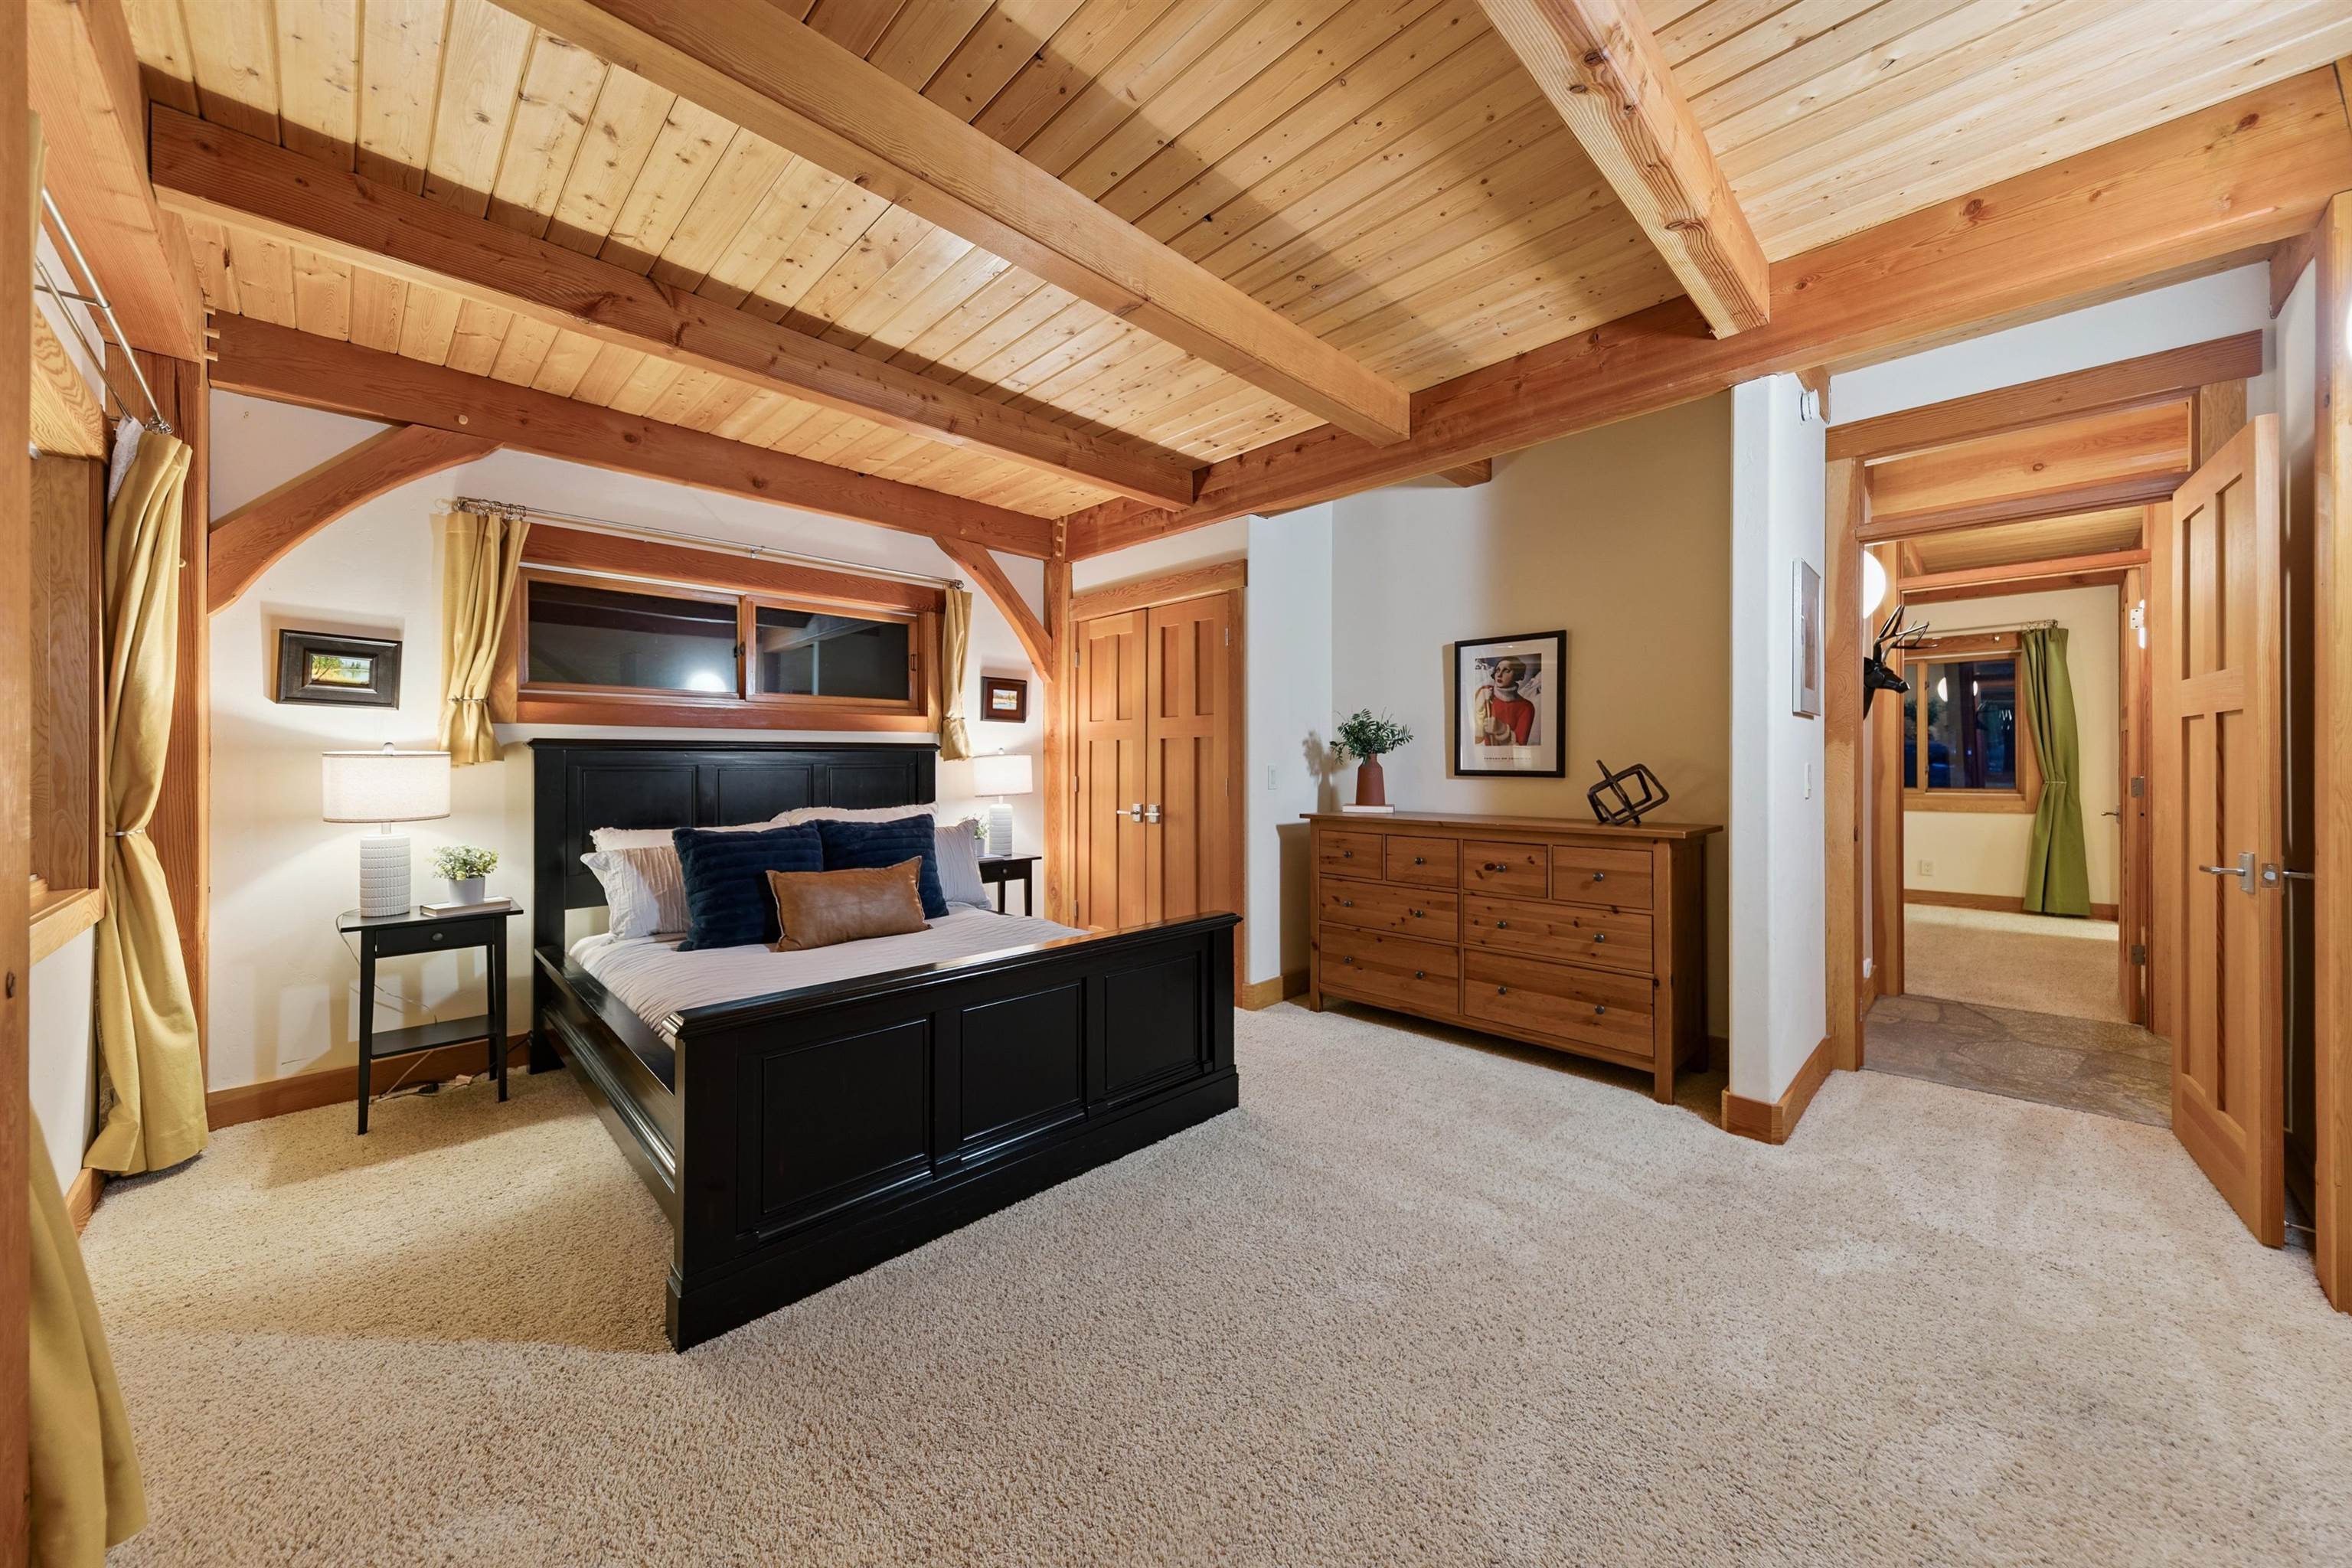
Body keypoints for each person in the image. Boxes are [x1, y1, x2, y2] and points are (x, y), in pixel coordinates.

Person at [1475, 657, 1537, 746]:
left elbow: (1520, 747)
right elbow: (1477, 739)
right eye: (1497, 670)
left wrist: (1503, 729)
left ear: (1516, 674)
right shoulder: (1484, 693)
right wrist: (1478, 709)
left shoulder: (1526, 707)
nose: (1499, 674)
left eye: (1506, 671)